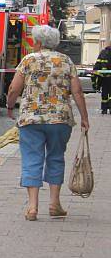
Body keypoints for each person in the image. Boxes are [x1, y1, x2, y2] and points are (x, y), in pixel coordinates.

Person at [6, 25, 90, 221]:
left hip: (31, 119)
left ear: (39, 42)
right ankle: (54, 204)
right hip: (60, 119)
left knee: (31, 159)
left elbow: (14, 88)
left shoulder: (28, 60)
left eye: (35, 40)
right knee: (56, 157)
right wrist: (84, 117)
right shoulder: (66, 61)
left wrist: (10, 106)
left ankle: (32, 207)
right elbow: (77, 91)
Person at [92, 41, 111, 115]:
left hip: (104, 77)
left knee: (105, 94)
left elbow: (98, 65)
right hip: (106, 77)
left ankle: (104, 109)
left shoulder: (103, 52)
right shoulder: (104, 52)